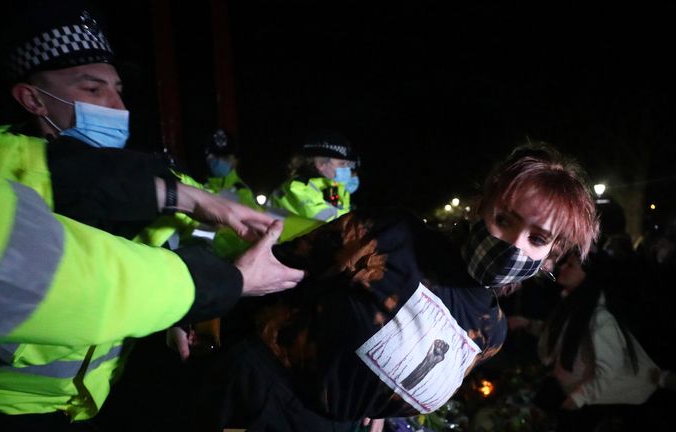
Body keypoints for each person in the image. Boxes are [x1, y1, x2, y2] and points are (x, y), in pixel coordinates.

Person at [0, 96, 304, 430]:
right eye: (92, 87)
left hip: (92, 405)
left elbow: (54, 170)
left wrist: (176, 196)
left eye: (118, 88)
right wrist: (219, 284)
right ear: (32, 97)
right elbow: (40, 273)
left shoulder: (130, 177)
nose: (116, 106)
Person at [170, 142, 599, 431]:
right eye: (504, 219)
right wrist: (196, 308)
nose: (512, 245)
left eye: (538, 238)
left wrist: (374, 411)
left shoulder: (491, 332)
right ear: (481, 205)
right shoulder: (394, 235)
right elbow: (272, 267)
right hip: (251, 396)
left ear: (553, 253)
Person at [534, 249, 660, 431]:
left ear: (589, 277)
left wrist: (580, 397)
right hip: (563, 390)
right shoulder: (574, 305)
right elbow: (559, 336)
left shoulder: (600, 318)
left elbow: (609, 369)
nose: (562, 268)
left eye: (570, 265)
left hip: (580, 404)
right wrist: (525, 324)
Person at [271, 130, 358, 222]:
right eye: (342, 164)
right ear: (321, 164)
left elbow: (341, 212)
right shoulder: (297, 188)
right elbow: (330, 222)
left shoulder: (331, 187)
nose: (347, 168)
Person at [204, 128, 258, 208]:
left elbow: (254, 215)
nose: (219, 161)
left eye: (225, 157)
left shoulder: (242, 192)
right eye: (215, 156)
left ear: (235, 160)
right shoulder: (196, 185)